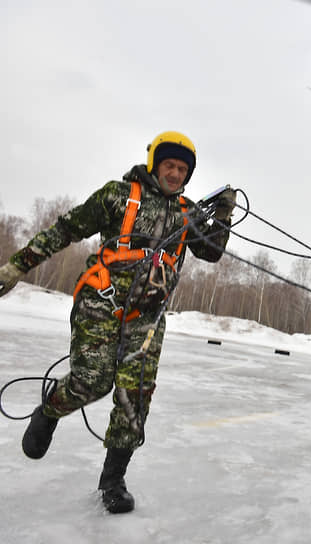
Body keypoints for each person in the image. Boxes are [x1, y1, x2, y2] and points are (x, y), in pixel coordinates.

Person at [0, 131, 236, 514]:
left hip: (148, 315)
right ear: (154, 164)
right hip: (101, 302)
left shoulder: (189, 213)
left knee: (135, 395)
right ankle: (51, 410)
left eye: (182, 169)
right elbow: (65, 229)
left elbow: (210, 253)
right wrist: (16, 266)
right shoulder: (117, 195)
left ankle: (113, 480)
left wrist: (222, 213)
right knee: (91, 382)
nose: (175, 174)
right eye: (168, 166)